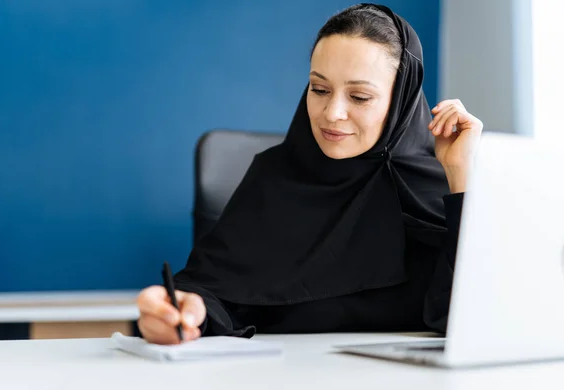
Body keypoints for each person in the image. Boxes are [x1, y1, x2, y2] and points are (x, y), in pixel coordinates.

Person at [136, 3, 483, 345]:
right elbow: (212, 295)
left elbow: (470, 323)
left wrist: (462, 178)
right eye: (319, 89)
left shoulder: (441, 188)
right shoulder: (274, 177)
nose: (332, 113)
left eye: (359, 96)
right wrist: (187, 309)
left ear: (401, 101)